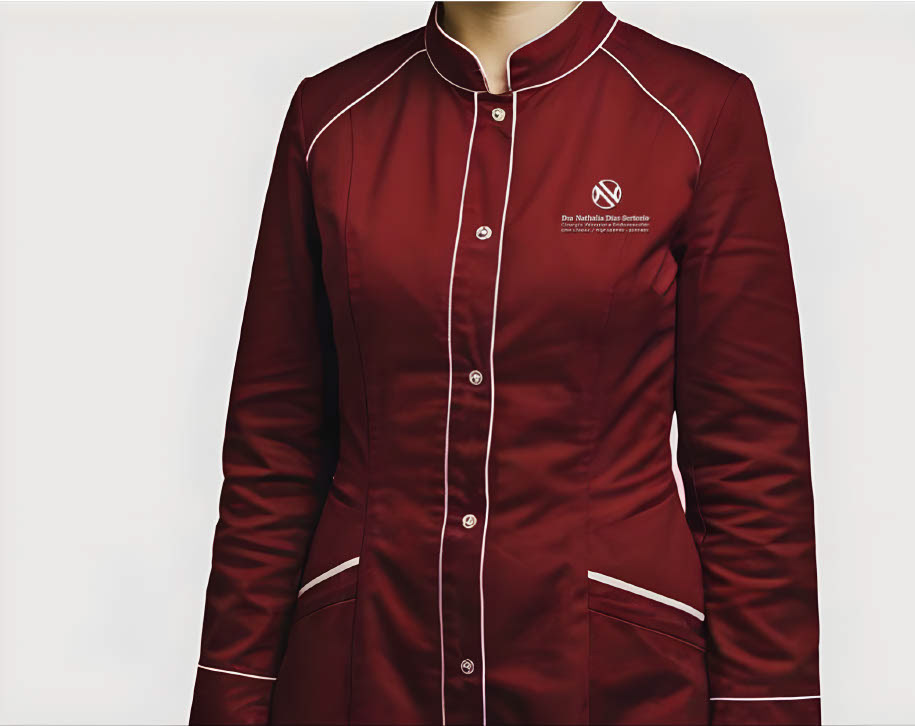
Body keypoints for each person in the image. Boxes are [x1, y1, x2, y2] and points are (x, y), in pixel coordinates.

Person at [189, 2, 821, 724]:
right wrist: (230, 696)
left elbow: (752, 461)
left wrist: (768, 708)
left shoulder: (699, 115)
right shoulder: (333, 118)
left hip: (616, 677)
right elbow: (274, 451)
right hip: (367, 668)